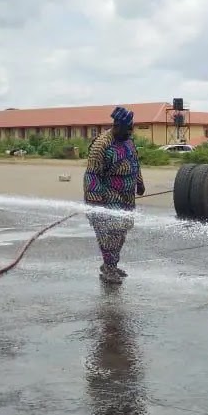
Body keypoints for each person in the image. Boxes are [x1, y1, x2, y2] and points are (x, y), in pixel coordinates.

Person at [84, 106, 145, 284]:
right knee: (110, 233)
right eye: (128, 128)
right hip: (107, 196)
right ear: (117, 126)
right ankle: (109, 269)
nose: (130, 132)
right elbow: (92, 174)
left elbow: (135, 163)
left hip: (127, 196)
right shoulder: (101, 145)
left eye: (131, 128)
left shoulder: (129, 141)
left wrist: (139, 182)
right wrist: (95, 201)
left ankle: (111, 264)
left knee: (122, 231)